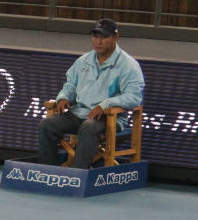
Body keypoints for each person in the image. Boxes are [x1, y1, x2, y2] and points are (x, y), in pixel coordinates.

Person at [36, 18, 144, 168]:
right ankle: (47, 171)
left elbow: (134, 97)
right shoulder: (83, 61)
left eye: (104, 37)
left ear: (115, 37)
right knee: (46, 125)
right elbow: (71, 85)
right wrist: (64, 97)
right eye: (95, 36)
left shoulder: (128, 65)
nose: (98, 42)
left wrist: (105, 105)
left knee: (89, 127)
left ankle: (77, 174)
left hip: (108, 118)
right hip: (78, 113)